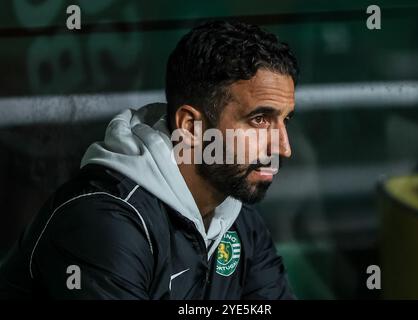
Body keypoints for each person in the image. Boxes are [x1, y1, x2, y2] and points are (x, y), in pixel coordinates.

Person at [0, 20, 298, 299]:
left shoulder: (238, 217)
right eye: (260, 119)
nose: (283, 148)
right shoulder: (105, 221)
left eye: (285, 120)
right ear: (191, 127)